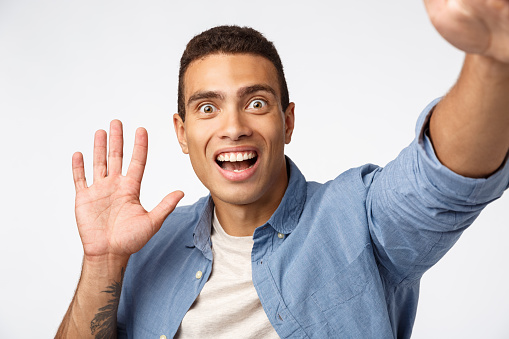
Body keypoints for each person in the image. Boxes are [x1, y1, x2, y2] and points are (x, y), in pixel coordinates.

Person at [56, 1, 509, 338]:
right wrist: (105, 262)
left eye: (256, 103)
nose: (233, 128)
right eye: (208, 107)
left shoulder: (358, 217)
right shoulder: (147, 243)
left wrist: (492, 58)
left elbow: (442, 180)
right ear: (181, 132)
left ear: (287, 121)